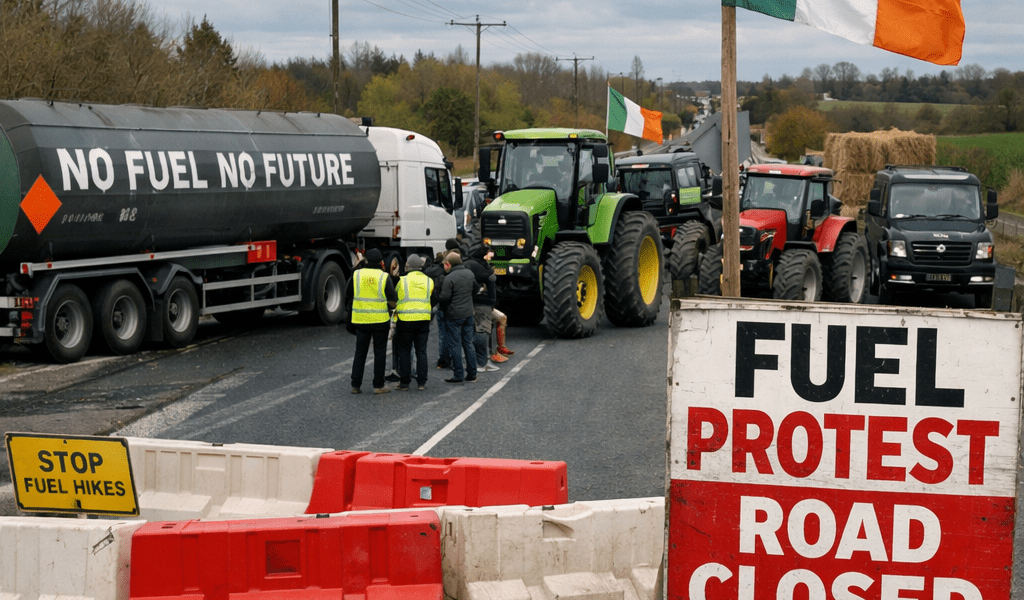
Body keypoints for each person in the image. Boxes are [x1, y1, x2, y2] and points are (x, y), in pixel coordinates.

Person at [347, 248, 397, 394]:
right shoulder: (384, 277)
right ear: (381, 262)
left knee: (360, 352)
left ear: (366, 260)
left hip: (361, 320)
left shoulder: (356, 275)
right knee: (380, 352)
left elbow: (348, 293)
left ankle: (355, 385)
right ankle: (378, 385)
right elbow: (393, 300)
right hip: (380, 321)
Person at [393, 254, 437, 391]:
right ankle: (422, 382)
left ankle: (404, 382)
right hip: (423, 319)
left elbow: (396, 297)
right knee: (421, 351)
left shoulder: (402, 281)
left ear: (408, 266)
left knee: (405, 351)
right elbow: (434, 299)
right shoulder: (429, 281)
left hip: (405, 320)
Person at [438, 251, 477, 383]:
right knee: (468, 343)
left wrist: (444, 310)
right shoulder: (470, 274)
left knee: (455, 344)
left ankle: (458, 374)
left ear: (448, 264)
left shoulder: (449, 278)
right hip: (468, 314)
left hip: (454, 315)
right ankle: (472, 373)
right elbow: (476, 289)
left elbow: (444, 298)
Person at [466, 245, 500, 372]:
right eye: (490, 252)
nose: (491, 255)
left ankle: (482, 360)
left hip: (478, 302)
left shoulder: (472, 263)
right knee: (482, 330)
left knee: (478, 330)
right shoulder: (479, 267)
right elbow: (489, 277)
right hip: (482, 302)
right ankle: (482, 363)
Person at [433, 239, 463, 369]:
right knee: (457, 337)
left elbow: (441, 294)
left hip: (445, 307)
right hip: (458, 307)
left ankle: (444, 359)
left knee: (444, 335)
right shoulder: (464, 271)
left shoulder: (443, 273)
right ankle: (457, 361)